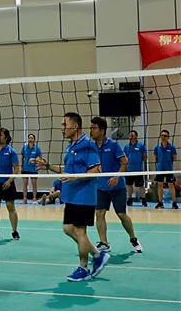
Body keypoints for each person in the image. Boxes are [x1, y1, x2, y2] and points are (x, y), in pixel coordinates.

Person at [35, 112, 110, 282]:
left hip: (83, 195)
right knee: (68, 228)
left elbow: (97, 170)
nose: (62, 128)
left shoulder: (87, 145)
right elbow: (68, 170)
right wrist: (48, 166)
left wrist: (76, 177)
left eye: (64, 124)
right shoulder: (71, 146)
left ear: (75, 126)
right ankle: (97, 255)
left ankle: (84, 268)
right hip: (71, 196)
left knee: (80, 231)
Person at [89, 117, 141, 253]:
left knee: (121, 214)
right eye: (91, 128)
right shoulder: (91, 147)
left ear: (102, 130)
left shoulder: (113, 145)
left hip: (117, 187)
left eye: (94, 128)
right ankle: (104, 243)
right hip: (100, 187)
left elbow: (125, 162)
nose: (91, 130)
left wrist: (116, 177)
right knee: (99, 213)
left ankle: (133, 239)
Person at [153, 130, 178, 209]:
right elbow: (156, 158)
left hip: (169, 169)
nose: (163, 137)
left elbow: (174, 158)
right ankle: (160, 202)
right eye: (162, 136)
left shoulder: (172, 147)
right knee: (160, 185)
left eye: (165, 136)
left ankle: (174, 203)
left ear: (168, 137)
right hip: (160, 169)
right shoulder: (157, 147)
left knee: (171, 185)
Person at [123, 130, 148, 207]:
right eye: (130, 135)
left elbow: (145, 156)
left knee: (141, 185)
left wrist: (138, 161)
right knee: (129, 185)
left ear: (136, 136)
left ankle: (143, 199)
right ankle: (129, 199)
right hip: (129, 169)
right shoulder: (126, 146)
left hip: (138, 169)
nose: (131, 137)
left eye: (132, 135)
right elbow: (124, 157)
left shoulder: (141, 145)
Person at [20, 134, 42, 205]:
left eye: (32, 138)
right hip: (25, 168)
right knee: (25, 184)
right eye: (29, 138)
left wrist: (34, 159)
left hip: (34, 169)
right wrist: (21, 167)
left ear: (34, 140)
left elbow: (40, 158)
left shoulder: (37, 148)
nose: (30, 139)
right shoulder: (24, 148)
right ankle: (24, 198)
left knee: (34, 184)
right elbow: (21, 158)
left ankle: (34, 198)